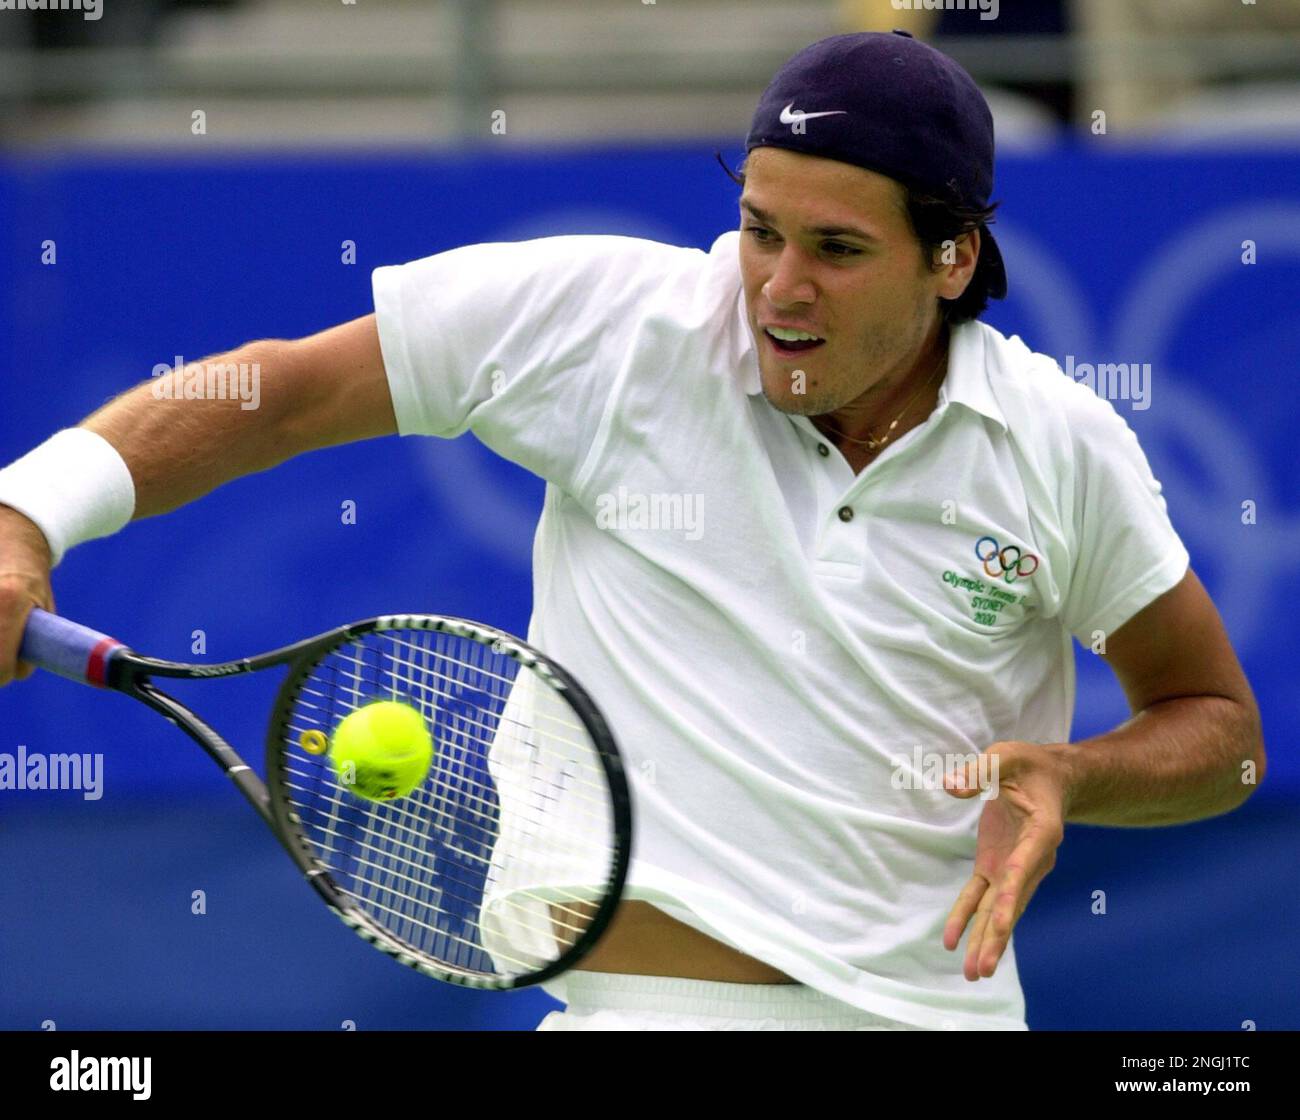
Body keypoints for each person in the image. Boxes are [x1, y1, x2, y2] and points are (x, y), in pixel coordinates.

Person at [0, 31, 1265, 1032]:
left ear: (951, 258)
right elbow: (273, 392)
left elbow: (1218, 731)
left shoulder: (1059, 445)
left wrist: (1074, 777)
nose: (777, 286)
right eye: (761, 230)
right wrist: (24, 516)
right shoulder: (607, 323)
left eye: (835, 249)